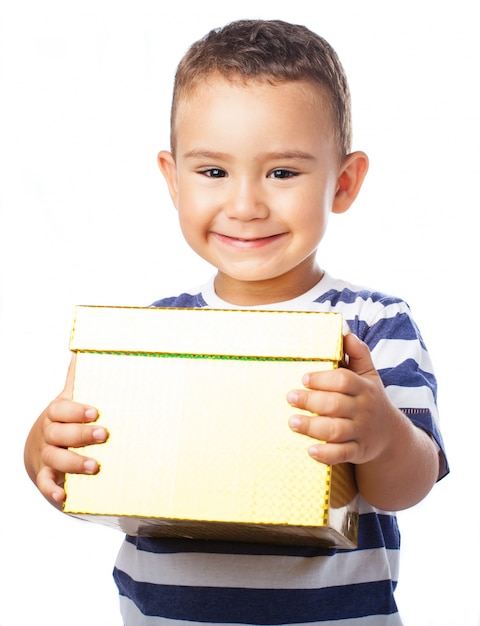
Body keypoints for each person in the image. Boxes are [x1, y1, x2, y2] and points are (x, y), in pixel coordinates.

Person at [24, 19, 448, 625]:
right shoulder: (154, 335)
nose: (246, 205)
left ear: (344, 182)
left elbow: (410, 483)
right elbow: (70, 464)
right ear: (173, 180)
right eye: (214, 172)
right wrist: (45, 441)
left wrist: (379, 432)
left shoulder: (372, 325)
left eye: (282, 172)